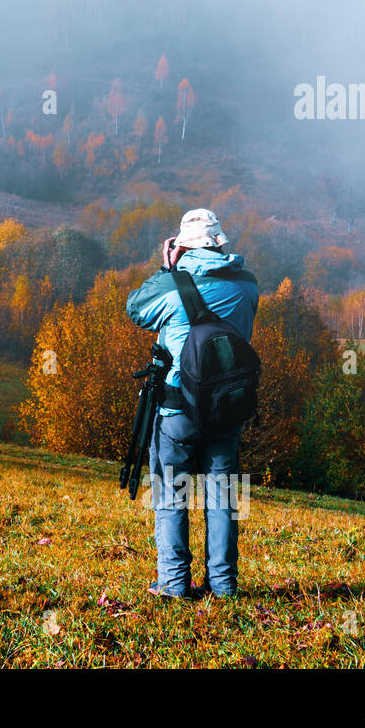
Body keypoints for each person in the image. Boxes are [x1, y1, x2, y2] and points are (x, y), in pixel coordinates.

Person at [125, 208, 258, 598]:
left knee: (172, 494)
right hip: (226, 409)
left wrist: (168, 269)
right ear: (220, 243)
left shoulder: (172, 287)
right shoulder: (248, 286)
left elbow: (135, 308)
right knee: (223, 497)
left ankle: (173, 582)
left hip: (176, 410)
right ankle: (223, 585)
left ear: (181, 245)